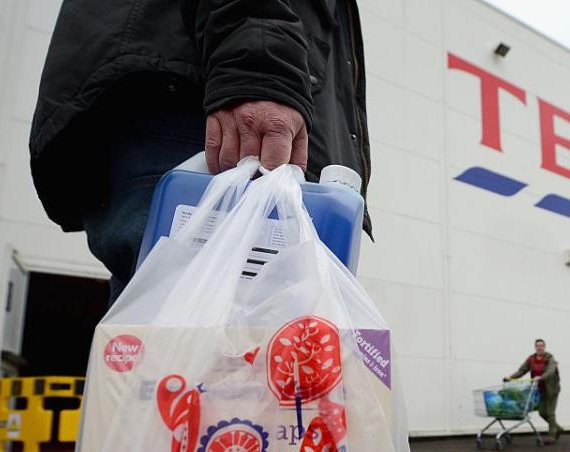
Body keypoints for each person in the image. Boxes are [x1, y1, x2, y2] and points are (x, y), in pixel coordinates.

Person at [30, 0, 372, 301]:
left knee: (176, 346)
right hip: (207, 108)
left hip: (214, 97)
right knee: (200, 345)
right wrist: (258, 65)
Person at [503, 338, 562, 445]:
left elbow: (550, 371)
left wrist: (541, 377)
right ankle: (557, 428)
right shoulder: (531, 359)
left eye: (541, 345)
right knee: (542, 412)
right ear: (535, 347)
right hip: (539, 390)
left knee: (550, 412)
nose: (539, 347)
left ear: (544, 347)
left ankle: (552, 436)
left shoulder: (550, 358)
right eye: (537, 345)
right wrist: (510, 377)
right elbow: (522, 370)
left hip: (552, 389)